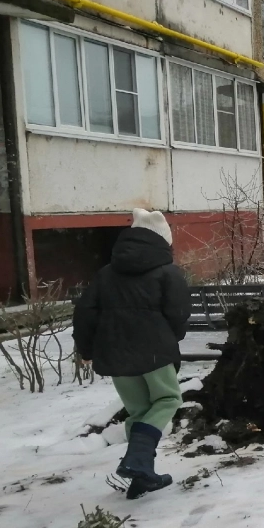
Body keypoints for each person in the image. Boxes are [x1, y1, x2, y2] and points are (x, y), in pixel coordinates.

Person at [73, 209, 190, 500]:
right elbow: (178, 314)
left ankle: (142, 476)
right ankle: (137, 462)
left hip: (114, 353)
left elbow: (85, 313)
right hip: (154, 351)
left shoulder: (106, 273)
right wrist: (170, 338)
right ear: (162, 241)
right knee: (167, 399)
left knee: (139, 412)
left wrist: (86, 349)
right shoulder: (167, 272)